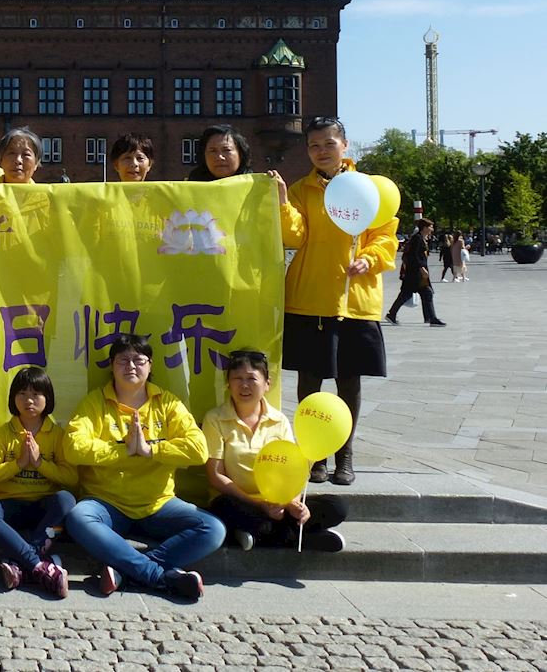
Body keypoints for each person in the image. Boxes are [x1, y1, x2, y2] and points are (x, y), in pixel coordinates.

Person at [267, 116, 397, 486]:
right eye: (313, 145)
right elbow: (294, 236)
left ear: (345, 145)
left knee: (349, 382)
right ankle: (315, 455)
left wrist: (369, 258)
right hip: (309, 297)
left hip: (354, 299)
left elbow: (386, 236)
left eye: (328, 143)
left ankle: (346, 456)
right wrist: (281, 203)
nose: (321, 151)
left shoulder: (369, 188)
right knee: (309, 382)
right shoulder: (301, 190)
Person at [64, 334, 224, 601]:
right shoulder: (95, 402)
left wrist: (151, 450)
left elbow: (199, 449)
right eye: (122, 360)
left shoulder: (167, 402)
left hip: (158, 504)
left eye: (138, 360)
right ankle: (159, 576)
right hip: (106, 503)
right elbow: (73, 447)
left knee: (213, 529)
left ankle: (128, 571)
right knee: (78, 518)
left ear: (150, 366)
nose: (131, 366)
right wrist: (123, 450)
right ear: (112, 366)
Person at [202, 348, 346, 552]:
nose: (244, 385)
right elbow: (216, 476)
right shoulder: (215, 419)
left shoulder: (279, 420)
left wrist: (293, 503)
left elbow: (292, 467)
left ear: (267, 384)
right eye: (237, 378)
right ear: (228, 383)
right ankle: (296, 537)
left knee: (337, 507)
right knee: (226, 507)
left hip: (277, 502)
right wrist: (258, 504)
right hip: (239, 501)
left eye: (252, 379)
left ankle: (260, 533)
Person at [0, 366, 75, 597]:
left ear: (47, 398)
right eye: (22, 394)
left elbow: (71, 478)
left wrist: (40, 463)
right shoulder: (3, 433)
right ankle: (40, 564)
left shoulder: (57, 434)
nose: (29, 400)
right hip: (11, 504)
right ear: (13, 398)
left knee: (66, 500)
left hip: (44, 507)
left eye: (36, 394)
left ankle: (22, 564)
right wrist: (19, 463)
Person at [386, 218, 444, 328]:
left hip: (415, 274)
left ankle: (430, 317)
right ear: (425, 228)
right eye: (430, 227)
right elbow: (414, 255)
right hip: (415, 274)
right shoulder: (417, 239)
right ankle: (430, 318)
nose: (432, 229)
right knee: (414, 294)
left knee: (422, 294)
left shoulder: (421, 238)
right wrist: (421, 268)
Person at [187, 124, 252, 181]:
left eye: (226, 150)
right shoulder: (189, 189)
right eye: (213, 151)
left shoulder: (256, 186)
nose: (219, 157)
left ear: (241, 154)